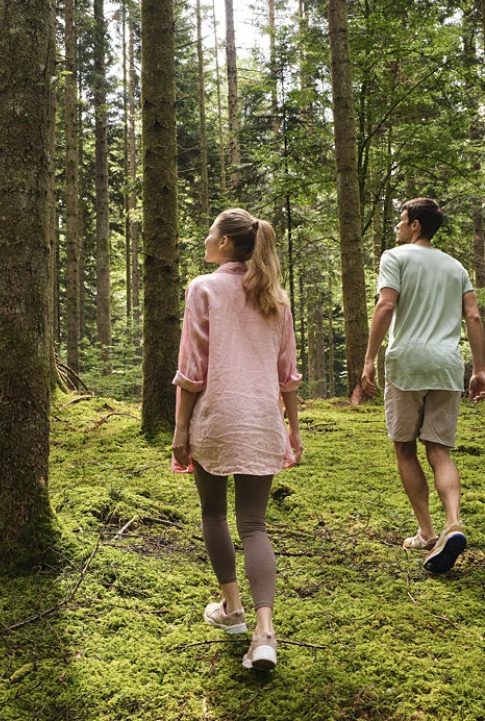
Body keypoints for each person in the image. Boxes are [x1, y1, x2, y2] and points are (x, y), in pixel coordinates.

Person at [171, 208, 303, 672]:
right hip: (263, 420)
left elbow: (191, 370)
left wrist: (180, 430)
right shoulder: (277, 298)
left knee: (212, 512)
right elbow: (287, 377)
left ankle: (232, 610)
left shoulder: (203, 288)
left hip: (215, 418)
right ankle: (265, 634)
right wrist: (294, 431)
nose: (206, 240)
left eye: (210, 233)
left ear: (225, 243)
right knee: (254, 524)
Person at [352, 197, 485, 574]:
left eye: (401, 220)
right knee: (440, 451)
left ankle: (427, 532)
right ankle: (453, 523)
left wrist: (368, 358)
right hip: (446, 364)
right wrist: (478, 369)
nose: (398, 226)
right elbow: (473, 316)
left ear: (414, 225)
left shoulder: (395, 257)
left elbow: (385, 306)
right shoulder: (455, 266)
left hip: (407, 362)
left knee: (404, 447)